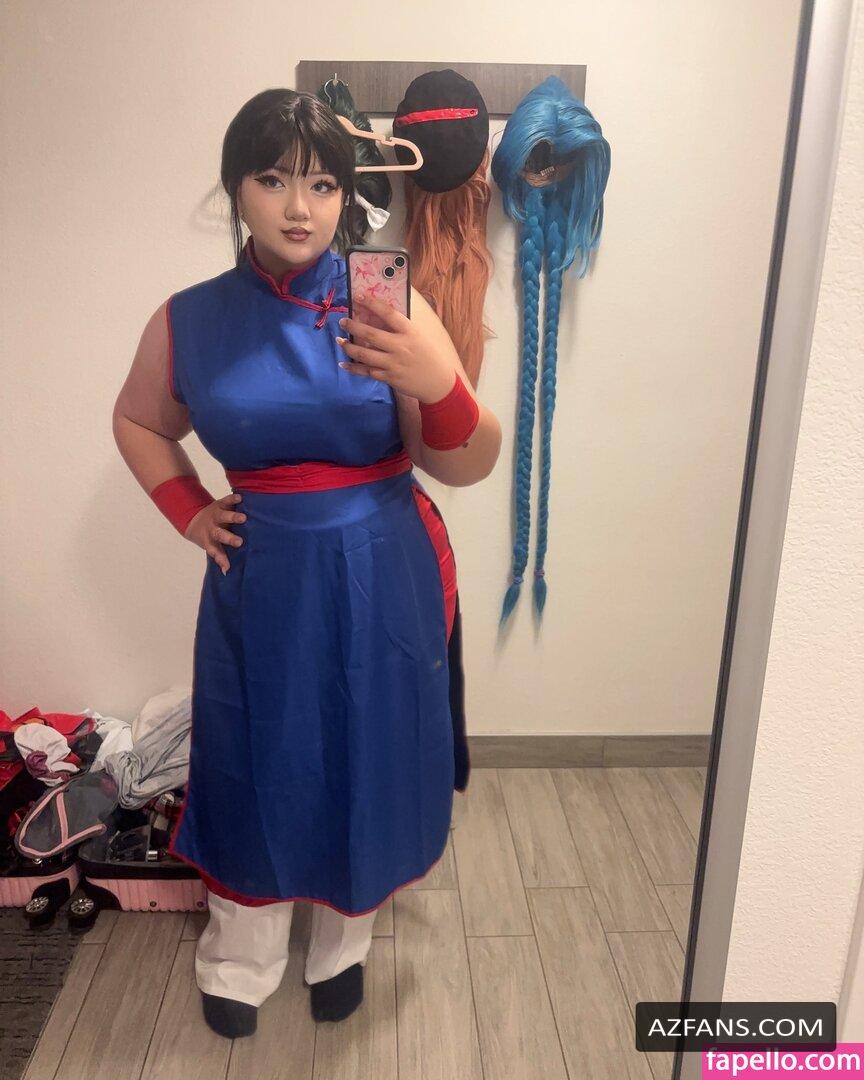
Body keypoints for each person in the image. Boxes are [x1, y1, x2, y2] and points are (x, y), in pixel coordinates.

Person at [112, 88, 501, 1039]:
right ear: (235, 189)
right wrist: (190, 511)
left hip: (383, 565)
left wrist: (438, 383)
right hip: (264, 575)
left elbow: (467, 462)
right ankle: (239, 962)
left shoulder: (384, 295)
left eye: (324, 184)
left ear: (347, 195)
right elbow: (138, 420)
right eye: (273, 179)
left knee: (366, 749)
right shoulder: (191, 319)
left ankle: (341, 950)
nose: (299, 207)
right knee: (255, 754)